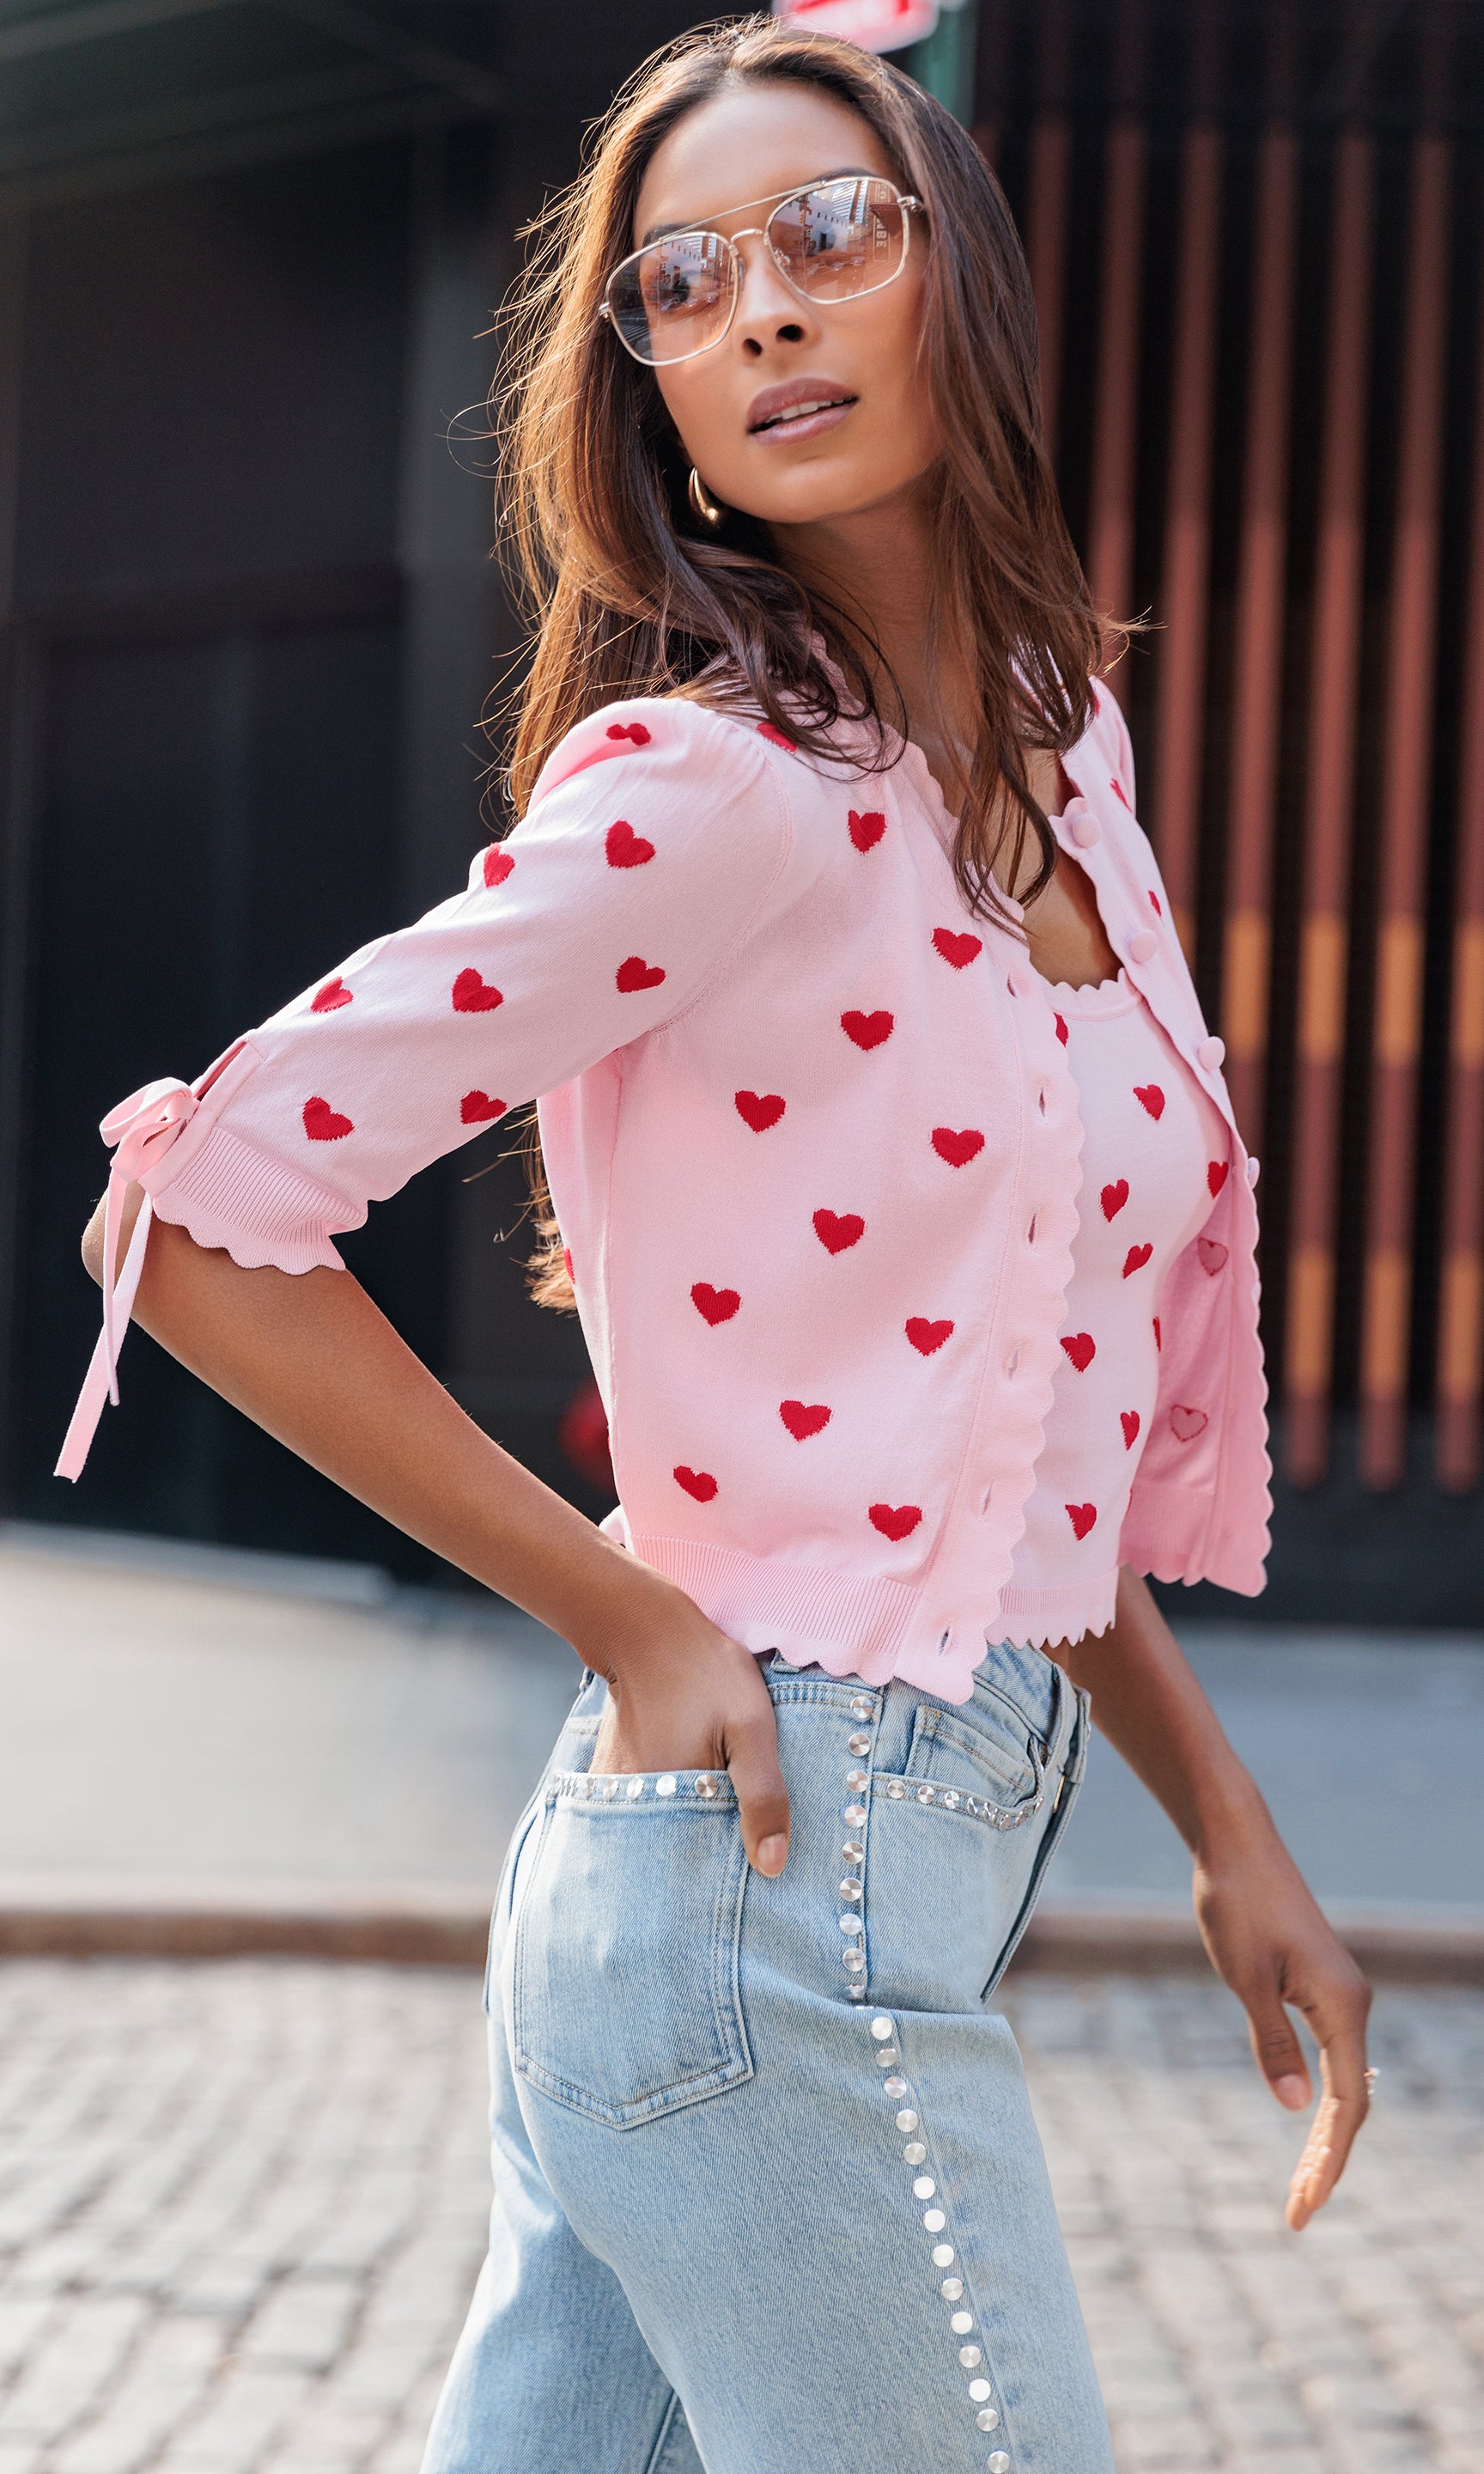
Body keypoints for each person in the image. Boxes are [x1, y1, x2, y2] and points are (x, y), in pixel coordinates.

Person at [66, 20, 1372, 2471]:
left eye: (824, 236)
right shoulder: (718, 799)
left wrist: (1231, 1832)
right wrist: (626, 1610)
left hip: (770, 1888)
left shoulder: (1058, 770)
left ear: (951, 284)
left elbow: (987, 1446)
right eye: (681, 282)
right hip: (771, 1899)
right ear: (649, 388)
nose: (759, 309)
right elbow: (204, 1212)